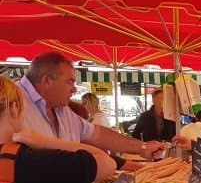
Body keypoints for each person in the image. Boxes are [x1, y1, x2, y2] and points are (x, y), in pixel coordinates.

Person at [17, 52, 163, 161]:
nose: (74, 89)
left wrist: (142, 147)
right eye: (70, 82)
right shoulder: (11, 102)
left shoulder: (61, 109)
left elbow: (97, 135)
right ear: (47, 81)